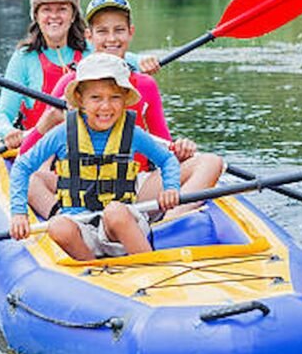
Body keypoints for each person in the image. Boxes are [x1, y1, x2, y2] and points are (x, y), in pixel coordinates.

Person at [19, 0, 224, 219]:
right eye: (102, 31)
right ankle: (66, 221)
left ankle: (171, 221)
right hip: (78, 186)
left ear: (130, 33)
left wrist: (180, 148)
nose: (111, 39)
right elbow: (24, 158)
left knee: (211, 162)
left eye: (119, 30)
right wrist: (46, 122)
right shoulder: (71, 84)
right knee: (29, 178)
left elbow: (164, 146)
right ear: (89, 36)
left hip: (134, 189)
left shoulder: (145, 85)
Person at [9, 53, 181, 260]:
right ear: (80, 99)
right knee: (57, 226)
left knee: (114, 212)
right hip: (80, 226)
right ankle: (95, 273)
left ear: (125, 99)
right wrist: (18, 214)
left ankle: (152, 267)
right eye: (96, 98)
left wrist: (171, 188)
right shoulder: (63, 133)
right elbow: (22, 167)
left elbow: (168, 159)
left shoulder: (132, 132)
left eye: (115, 97)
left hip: (122, 224)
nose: (106, 106)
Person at [0, 0, 160, 151]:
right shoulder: (24, 58)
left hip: (85, 147)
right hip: (40, 144)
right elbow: (3, 116)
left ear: (73, 15)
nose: (54, 16)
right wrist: (10, 132)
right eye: (47, 10)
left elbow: (122, 57)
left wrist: (143, 61)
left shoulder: (92, 49)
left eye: (62, 9)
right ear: (36, 16)